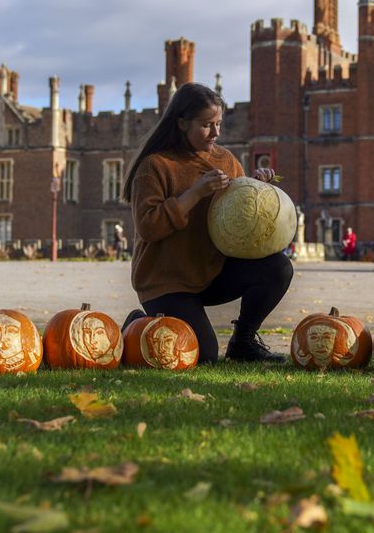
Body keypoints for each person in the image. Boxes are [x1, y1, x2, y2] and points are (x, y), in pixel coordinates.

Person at [120, 82, 292, 363]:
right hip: (166, 281)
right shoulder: (154, 166)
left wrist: (257, 187)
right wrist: (195, 193)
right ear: (182, 123)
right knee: (203, 356)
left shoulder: (225, 159)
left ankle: (243, 342)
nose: (216, 133)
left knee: (278, 268)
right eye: (206, 125)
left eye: (219, 124)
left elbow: (240, 213)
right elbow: (148, 227)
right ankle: (137, 324)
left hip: (211, 273)